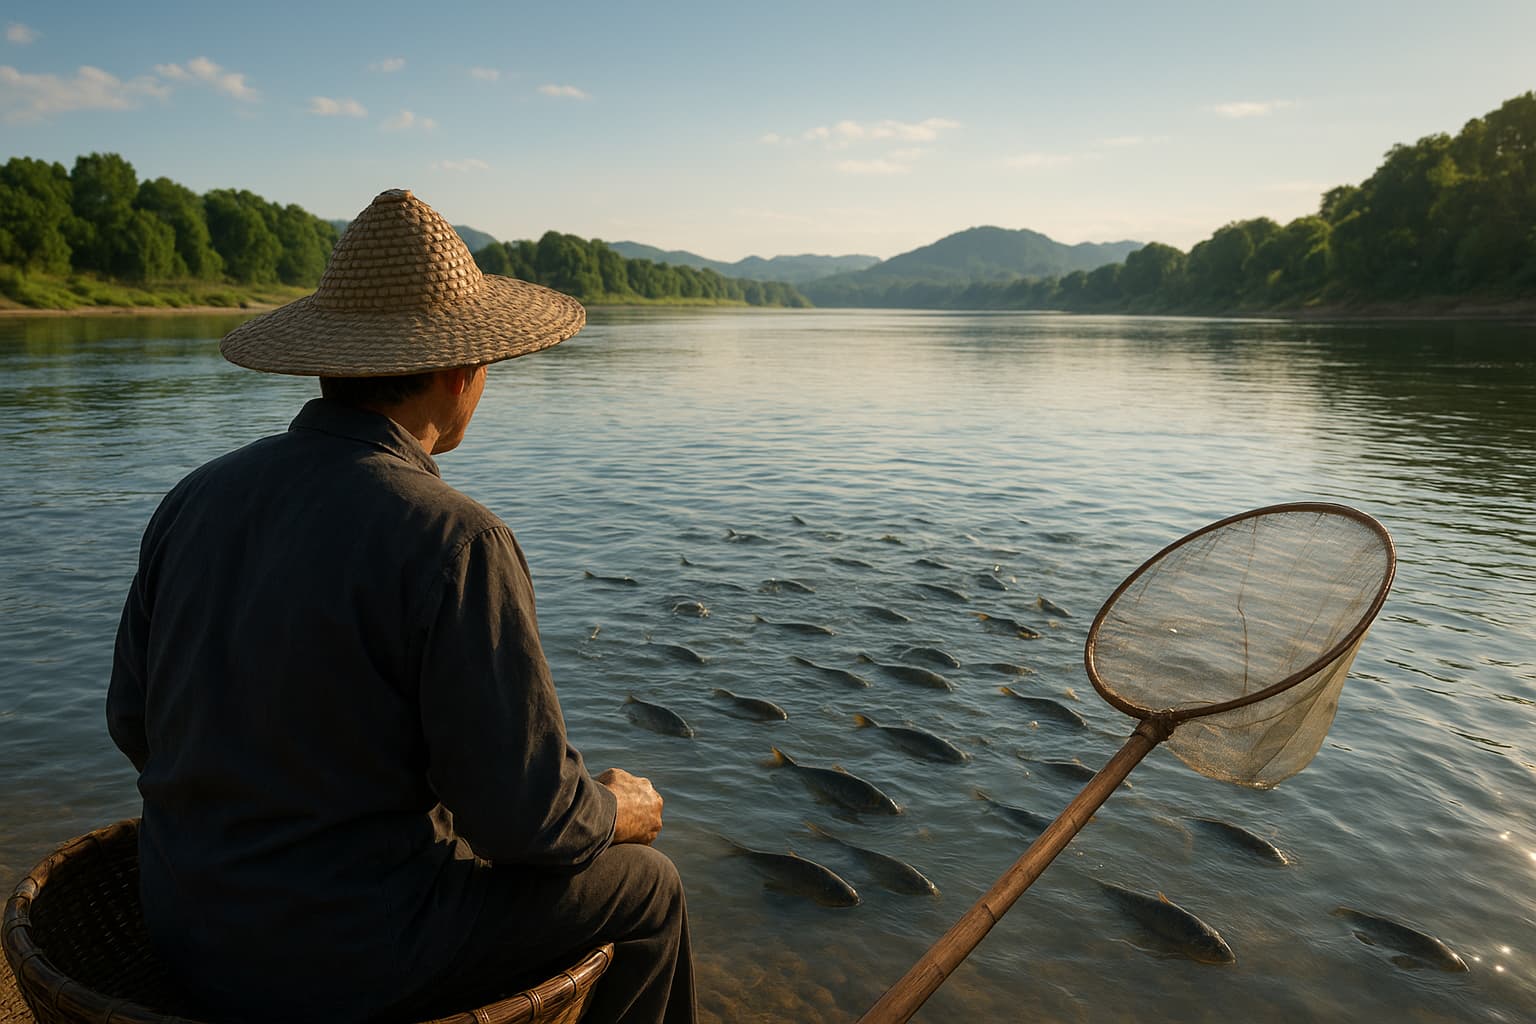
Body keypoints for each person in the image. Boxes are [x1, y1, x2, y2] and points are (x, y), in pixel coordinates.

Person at [106, 188, 696, 1024]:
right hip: (347, 958)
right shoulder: (457, 539)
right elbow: (526, 824)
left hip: (184, 924)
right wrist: (611, 809)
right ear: (462, 373)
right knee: (649, 888)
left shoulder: (193, 498)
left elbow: (133, 722)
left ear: (328, 363)